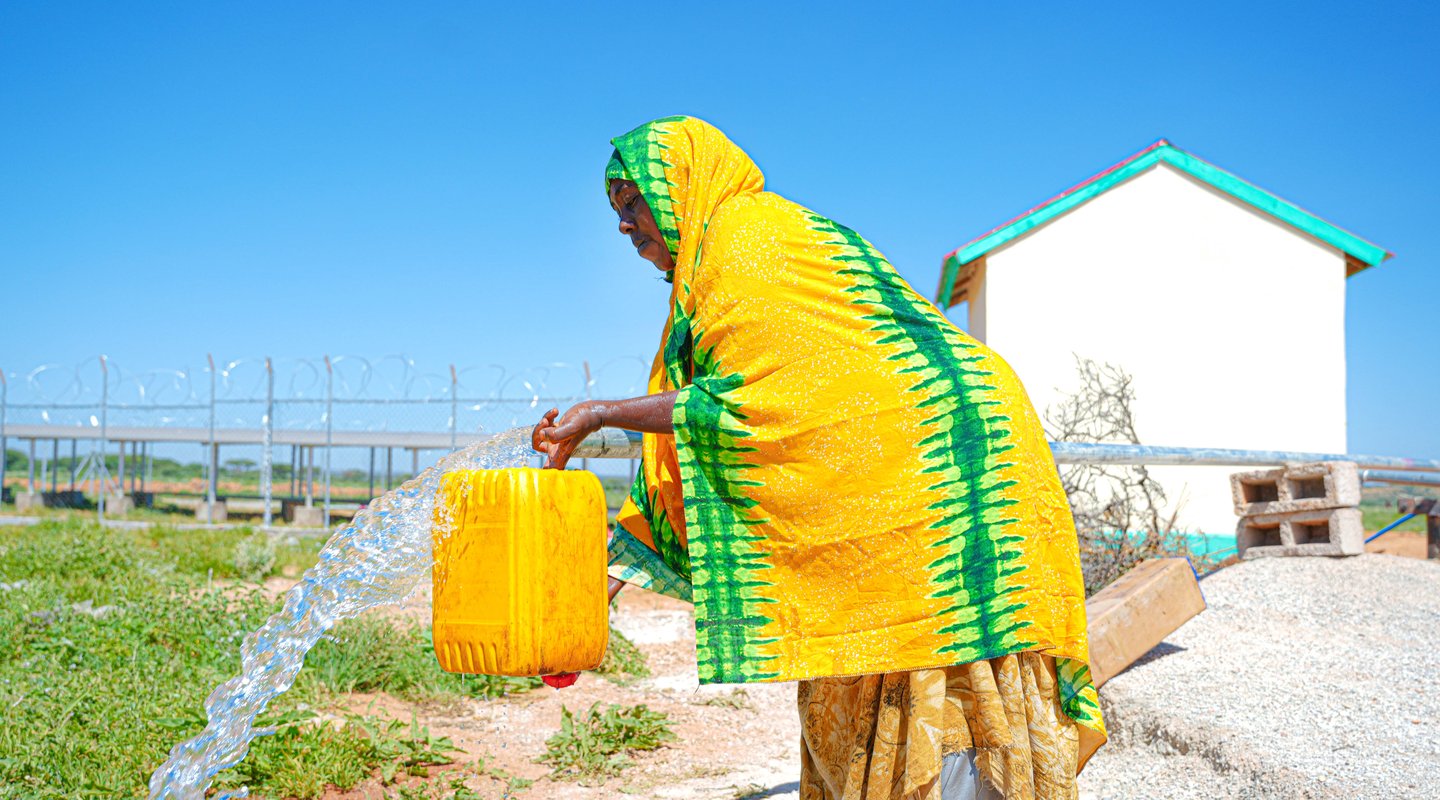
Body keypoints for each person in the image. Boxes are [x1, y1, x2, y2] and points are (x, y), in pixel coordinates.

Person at [532, 116, 1105, 800]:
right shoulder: (707, 279)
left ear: (683, 185)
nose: (625, 226)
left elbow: (747, 405)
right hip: (889, 474)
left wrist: (601, 414)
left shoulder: (749, 242)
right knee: (859, 685)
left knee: (937, 683)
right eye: (617, 213)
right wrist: (598, 591)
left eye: (634, 203)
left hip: (940, 471)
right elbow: (695, 450)